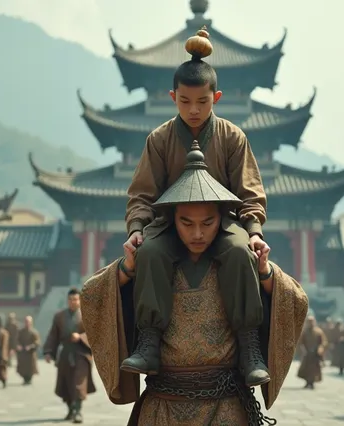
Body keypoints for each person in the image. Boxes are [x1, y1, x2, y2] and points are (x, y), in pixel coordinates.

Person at [81, 143, 308, 425]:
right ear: (172, 219)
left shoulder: (240, 260)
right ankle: (147, 345)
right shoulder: (152, 259)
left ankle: (250, 350)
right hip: (163, 406)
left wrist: (264, 272)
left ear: (222, 220)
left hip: (226, 406)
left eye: (208, 222)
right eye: (187, 223)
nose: (198, 233)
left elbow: (296, 299)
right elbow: (92, 295)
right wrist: (127, 268)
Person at [121, 25, 270, 387]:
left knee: (238, 253)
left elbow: (250, 191)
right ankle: (150, 342)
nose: (193, 110)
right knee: (152, 253)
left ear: (215, 97)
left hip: (222, 223)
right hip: (173, 224)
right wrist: (138, 230)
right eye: (185, 102)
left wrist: (253, 232)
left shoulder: (232, 137)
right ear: (173, 96)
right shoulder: (159, 139)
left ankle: (249, 346)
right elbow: (141, 194)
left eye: (202, 102)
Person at [43, 288, 95, 423]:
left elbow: (95, 334)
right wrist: (48, 351)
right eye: (71, 300)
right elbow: (53, 335)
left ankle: (78, 411)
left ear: (80, 300)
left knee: (79, 383)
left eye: (76, 299)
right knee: (65, 384)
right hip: (65, 353)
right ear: (67, 300)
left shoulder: (87, 315)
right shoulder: (59, 316)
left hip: (82, 354)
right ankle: (70, 408)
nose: (73, 302)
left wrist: (81, 336)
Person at [297, 316, 327, 389]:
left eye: (312, 321)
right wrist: (302, 350)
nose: (310, 323)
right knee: (306, 368)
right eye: (309, 321)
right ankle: (307, 382)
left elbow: (323, 342)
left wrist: (320, 349)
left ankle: (312, 382)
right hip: (307, 353)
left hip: (315, 354)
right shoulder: (305, 332)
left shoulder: (319, 331)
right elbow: (300, 342)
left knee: (314, 369)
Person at [16, 316, 41, 385]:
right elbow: (17, 340)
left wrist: (31, 346)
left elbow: (37, 342)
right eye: (26, 322)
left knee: (30, 368)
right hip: (23, 353)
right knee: (23, 367)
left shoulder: (34, 332)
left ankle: (29, 379)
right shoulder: (21, 331)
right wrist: (18, 345)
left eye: (28, 322)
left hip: (30, 353)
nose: (27, 323)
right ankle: (25, 378)